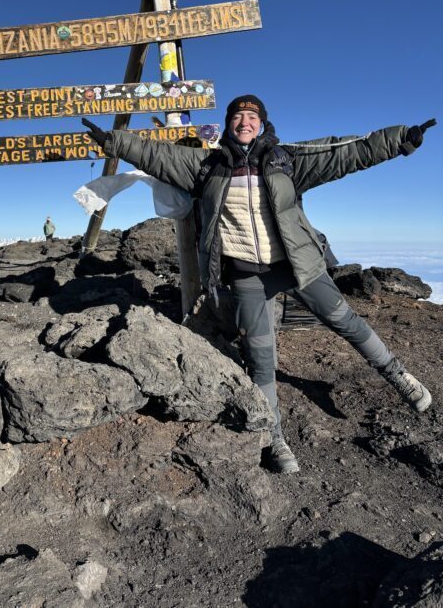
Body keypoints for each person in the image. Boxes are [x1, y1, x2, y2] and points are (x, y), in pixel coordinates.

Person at [82, 97, 436, 474]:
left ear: (263, 123)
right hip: (246, 275)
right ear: (228, 124)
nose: (244, 122)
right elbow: (158, 156)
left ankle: (400, 378)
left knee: (347, 322)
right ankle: (275, 437)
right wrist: (116, 143)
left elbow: (346, 152)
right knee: (259, 359)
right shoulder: (207, 166)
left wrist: (399, 140)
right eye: (238, 117)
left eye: (252, 117)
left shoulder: (287, 160)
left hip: (297, 265)